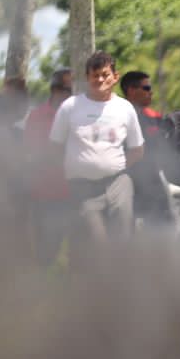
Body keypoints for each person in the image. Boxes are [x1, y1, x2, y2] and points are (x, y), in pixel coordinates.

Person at [48, 51, 144, 263]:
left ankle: (122, 289)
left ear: (115, 77)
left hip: (118, 184)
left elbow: (138, 149)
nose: (100, 79)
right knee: (95, 243)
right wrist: (74, 169)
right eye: (95, 75)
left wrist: (116, 166)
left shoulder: (125, 108)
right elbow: (54, 147)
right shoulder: (70, 107)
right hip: (83, 188)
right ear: (87, 78)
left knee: (123, 243)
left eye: (104, 74)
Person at [23, 71, 73, 264]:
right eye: (68, 90)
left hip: (73, 194)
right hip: (44, 196)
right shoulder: (36, 117)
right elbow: (30, 153)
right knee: (45, 252)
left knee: (77, 254)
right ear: (55, 90)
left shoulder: (76, 117)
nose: (72, 95)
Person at [119, 70, 173, 229]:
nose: (151, 92)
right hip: (127, 181)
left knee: (163, 228)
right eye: (147, 88)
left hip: (153, 182)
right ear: (131, 91)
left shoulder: (155, 117)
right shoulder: (117, 116)